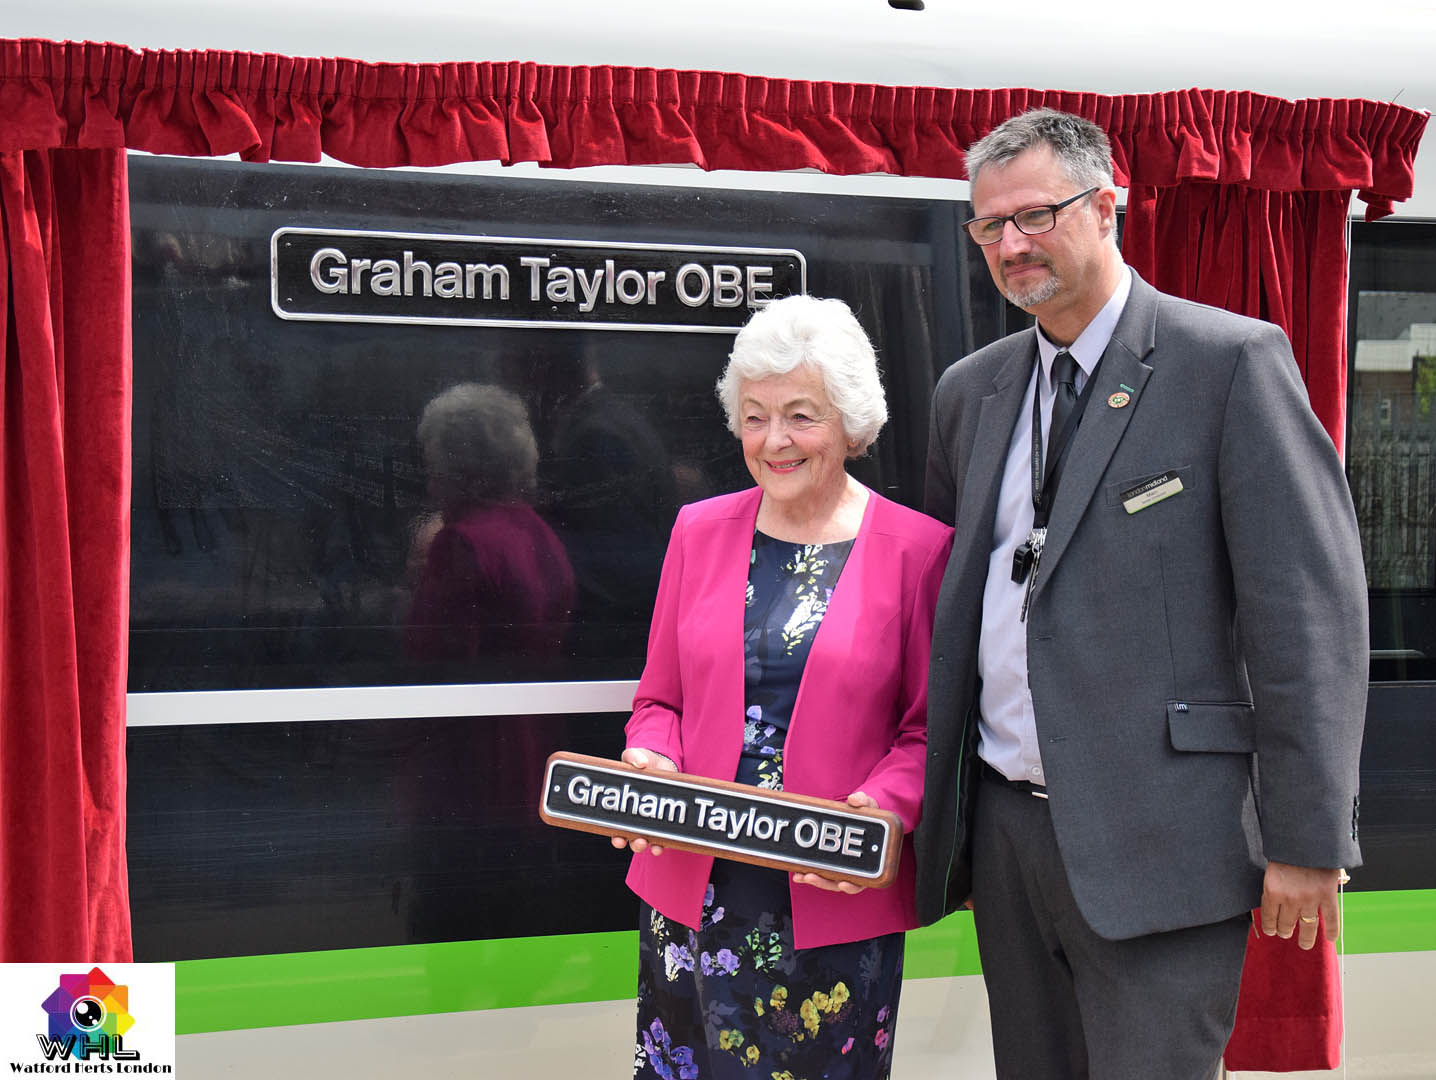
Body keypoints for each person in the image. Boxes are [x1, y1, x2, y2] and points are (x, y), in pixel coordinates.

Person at [915, 108, 1369, 1079]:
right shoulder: (969, 392)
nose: (1011, 244)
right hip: (1007, 836)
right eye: (989, 225)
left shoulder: (1228, 362)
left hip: (1166, 841)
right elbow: (949, 610)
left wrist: (1306, 837)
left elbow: (1306, 613)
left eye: (1035, 215)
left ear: (1105, 206)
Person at [617, 294, 952, 1079]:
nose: (774, 441)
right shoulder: (697, 531)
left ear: (850, 423)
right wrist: (652, 758)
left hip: (829, 898)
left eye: (801, 416)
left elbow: (930, 730)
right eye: (755, 416)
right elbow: (659, 701)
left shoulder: (920, 552)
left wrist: (882, 807)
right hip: (690, 895)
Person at [405, 382, 575, 664]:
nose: (430, 487)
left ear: (463, 472)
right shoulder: (539, 532)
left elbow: (435, 660)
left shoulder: (460, 545)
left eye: (434, 469)